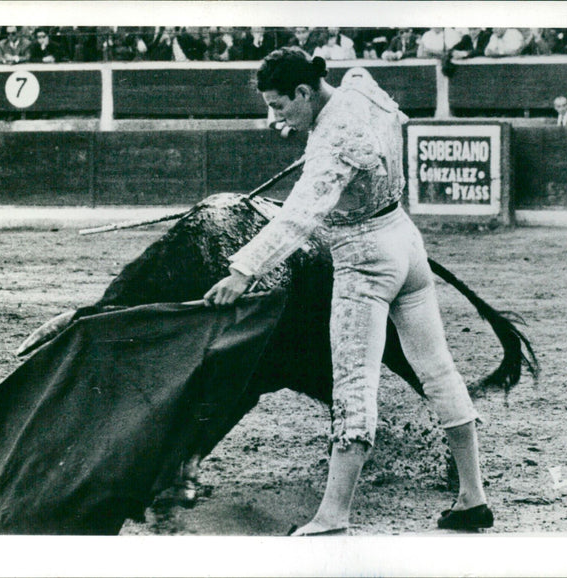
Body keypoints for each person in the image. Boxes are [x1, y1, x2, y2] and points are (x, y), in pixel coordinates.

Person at [203, 47, 493, 535]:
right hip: (406, 243)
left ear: (303, 91)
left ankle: (334, 514)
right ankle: (472, 496)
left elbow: (297, 218)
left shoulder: (331, 144)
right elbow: (386, 117)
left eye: (279, 105)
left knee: (354, 385)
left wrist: (242, 272)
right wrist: (311, 131)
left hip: (363, 259)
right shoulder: (358, 84)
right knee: (438, 370)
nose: (274, 116)